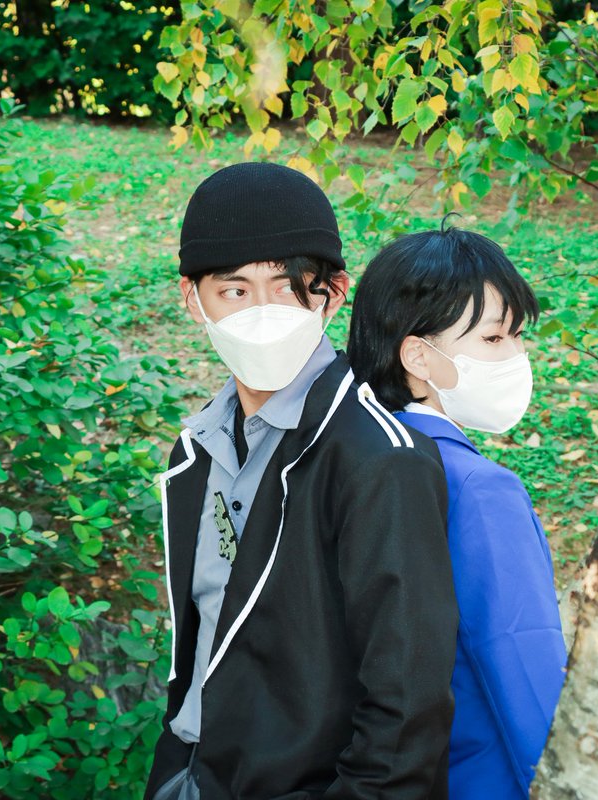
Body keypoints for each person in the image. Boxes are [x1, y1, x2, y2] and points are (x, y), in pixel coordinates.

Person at [144, 162, 458, 800]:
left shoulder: (379, 459)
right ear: (192, 299)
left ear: (333, 293)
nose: (262, 313)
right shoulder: (197, 449)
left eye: (287, 288)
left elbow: (405, 712)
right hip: (191, 773)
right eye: (234, 291)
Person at [347, 224, 568, 800]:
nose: (518, 357)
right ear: (418, 355)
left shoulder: (348, 460)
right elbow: (523, 661)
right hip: (484, 775)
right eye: (494, 339)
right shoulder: (478, 488)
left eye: (518, 336)